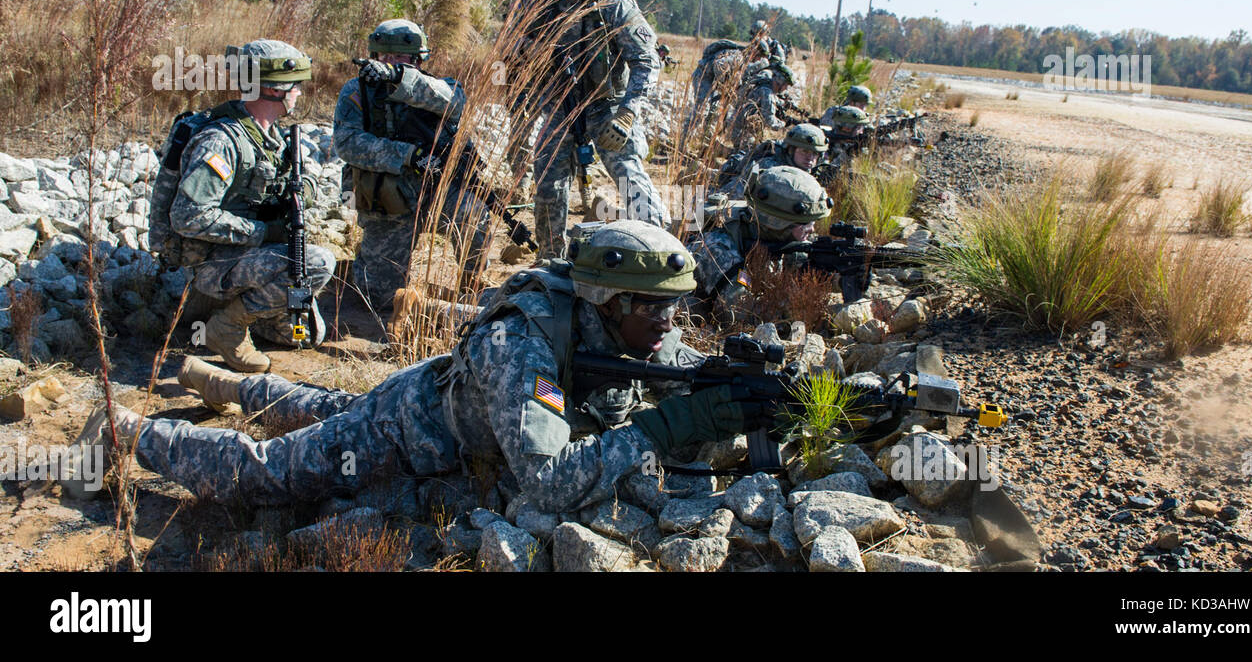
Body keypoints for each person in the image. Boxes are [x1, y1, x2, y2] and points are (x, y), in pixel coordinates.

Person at [62, 222, 775, 513]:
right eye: (655, 310)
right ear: (608, 301)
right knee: (270, 473)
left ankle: (218, 380)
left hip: (435, 390)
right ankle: (125, 430)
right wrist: (665, 427)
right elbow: (551, 481)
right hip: (406, 427)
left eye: (673, 312)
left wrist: (727, 383)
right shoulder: (524, 348)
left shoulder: (625, 332)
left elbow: (674, 363)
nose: (668, 325)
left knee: (317, 403)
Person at [163, 39, 336, 372]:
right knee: (317, 262)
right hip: (215, 260)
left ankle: (256, 314)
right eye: (294, 86)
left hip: (246, 256)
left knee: (304, 336)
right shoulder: (222, 141)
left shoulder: (270, 135)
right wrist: (262, 231)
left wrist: (303, 192)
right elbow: (188, 216)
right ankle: (227, 326)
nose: (298, 93)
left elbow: (279, 186)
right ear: (272, 90)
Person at [516, 0, 667, 258]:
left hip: (608, 106)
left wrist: (628, 114)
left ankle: (659, 254)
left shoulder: (611, 0)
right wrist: (532, 50)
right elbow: (510, 46)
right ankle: (550, 261)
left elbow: (647, 60)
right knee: (548, 186)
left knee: (630, 177)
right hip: (558, 105)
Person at [333, 18, 491, 310]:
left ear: (418, 59)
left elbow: (456, 103)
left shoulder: (439, 88)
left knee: (475, 216)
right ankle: (360, 263)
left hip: (438, 192)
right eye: (384, 57)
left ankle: (472, 285)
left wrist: (397, 77)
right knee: (378, 300)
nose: (390, 62)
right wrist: (406, 155)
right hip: (389, 198)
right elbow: (347, 144)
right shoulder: (356, 91)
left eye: (401, 58)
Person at [687, 166, 831, 324]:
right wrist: (799, 307)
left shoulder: (776, 236)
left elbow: (797, 261)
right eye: (804, 224)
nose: (812, 229)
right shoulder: (721, 249)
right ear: (777, 223)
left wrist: (830, 277)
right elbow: (740, 314)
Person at [713, 123, 829, 198]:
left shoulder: (809, 172)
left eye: (815, 154)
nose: (810, 158)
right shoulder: (768, 167)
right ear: (790, 150)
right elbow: (732, 193)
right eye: (804, 151)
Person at [726, 60, 799, 151]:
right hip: (743, 134)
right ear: (780, 82)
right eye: (786, 85)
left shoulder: (764, 83)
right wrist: (785, 123)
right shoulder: (767, 93)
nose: (786, 88)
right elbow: (770, 122)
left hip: (741, 128)